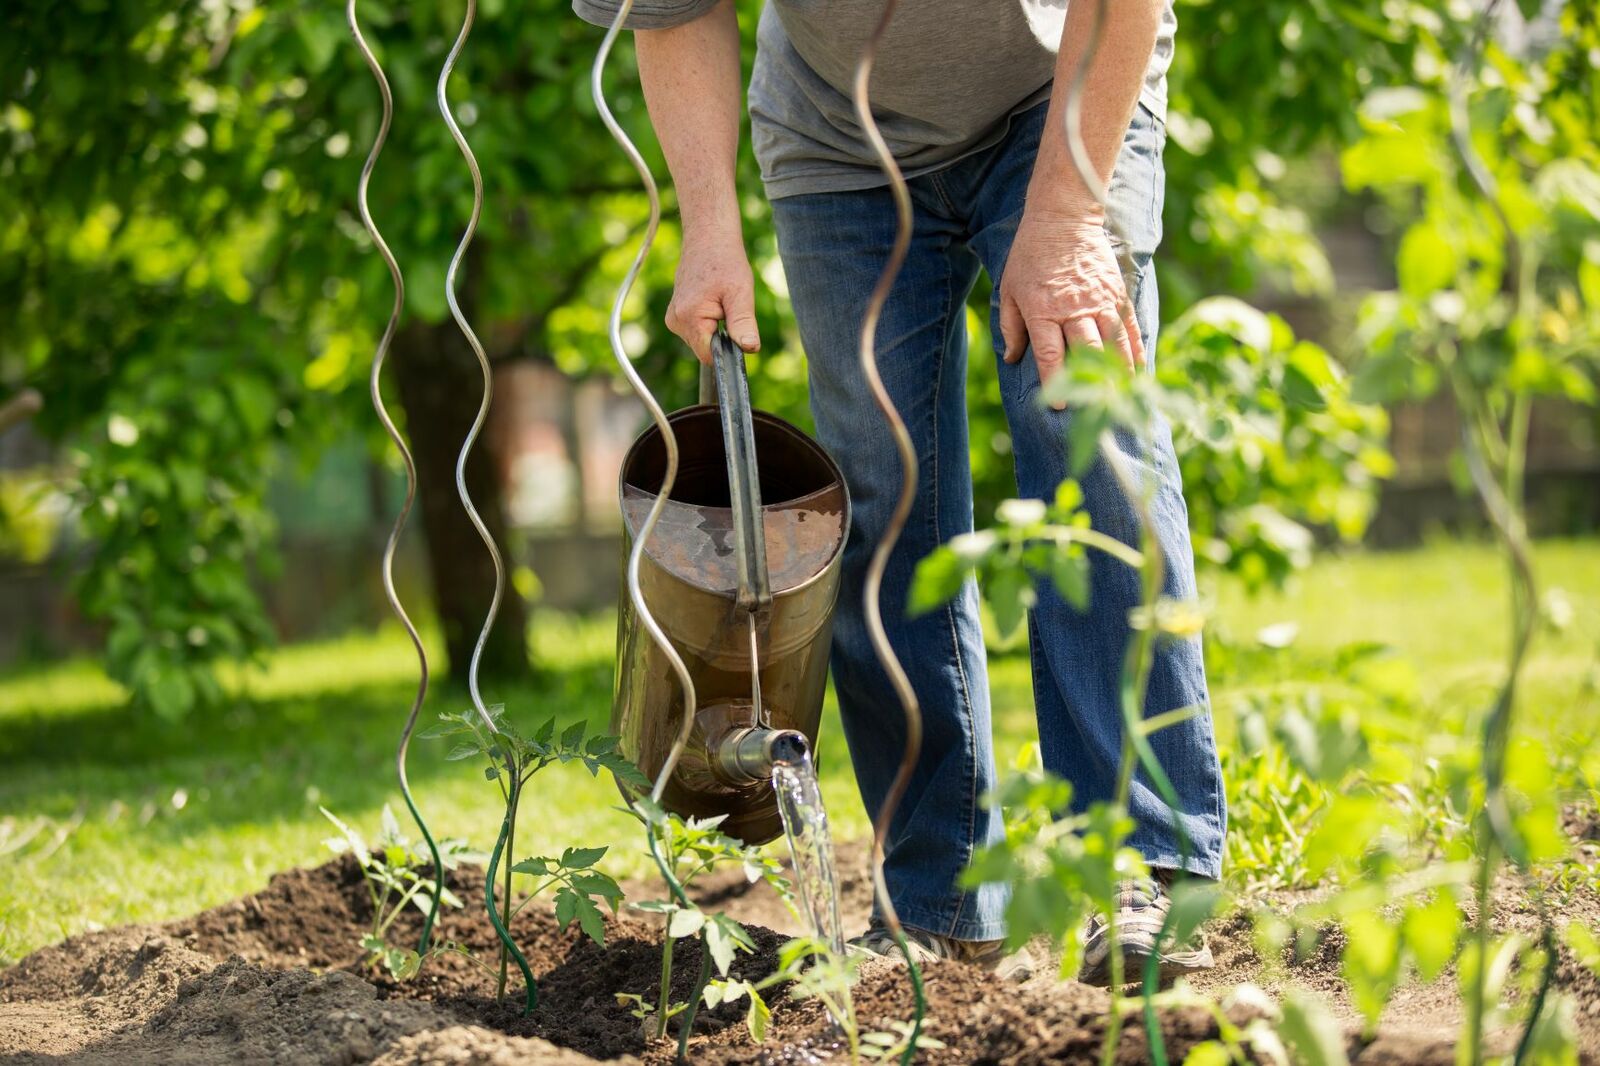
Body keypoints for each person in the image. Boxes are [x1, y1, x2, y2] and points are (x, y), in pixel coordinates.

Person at [574, 0, 1226, 983]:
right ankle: (936, 895)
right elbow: (676, 10)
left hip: (1063, 88)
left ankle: (1140, 870)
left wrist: (1064, 216)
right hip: (841, 135)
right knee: (879, 493)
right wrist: (707, 225)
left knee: (1085, 429)